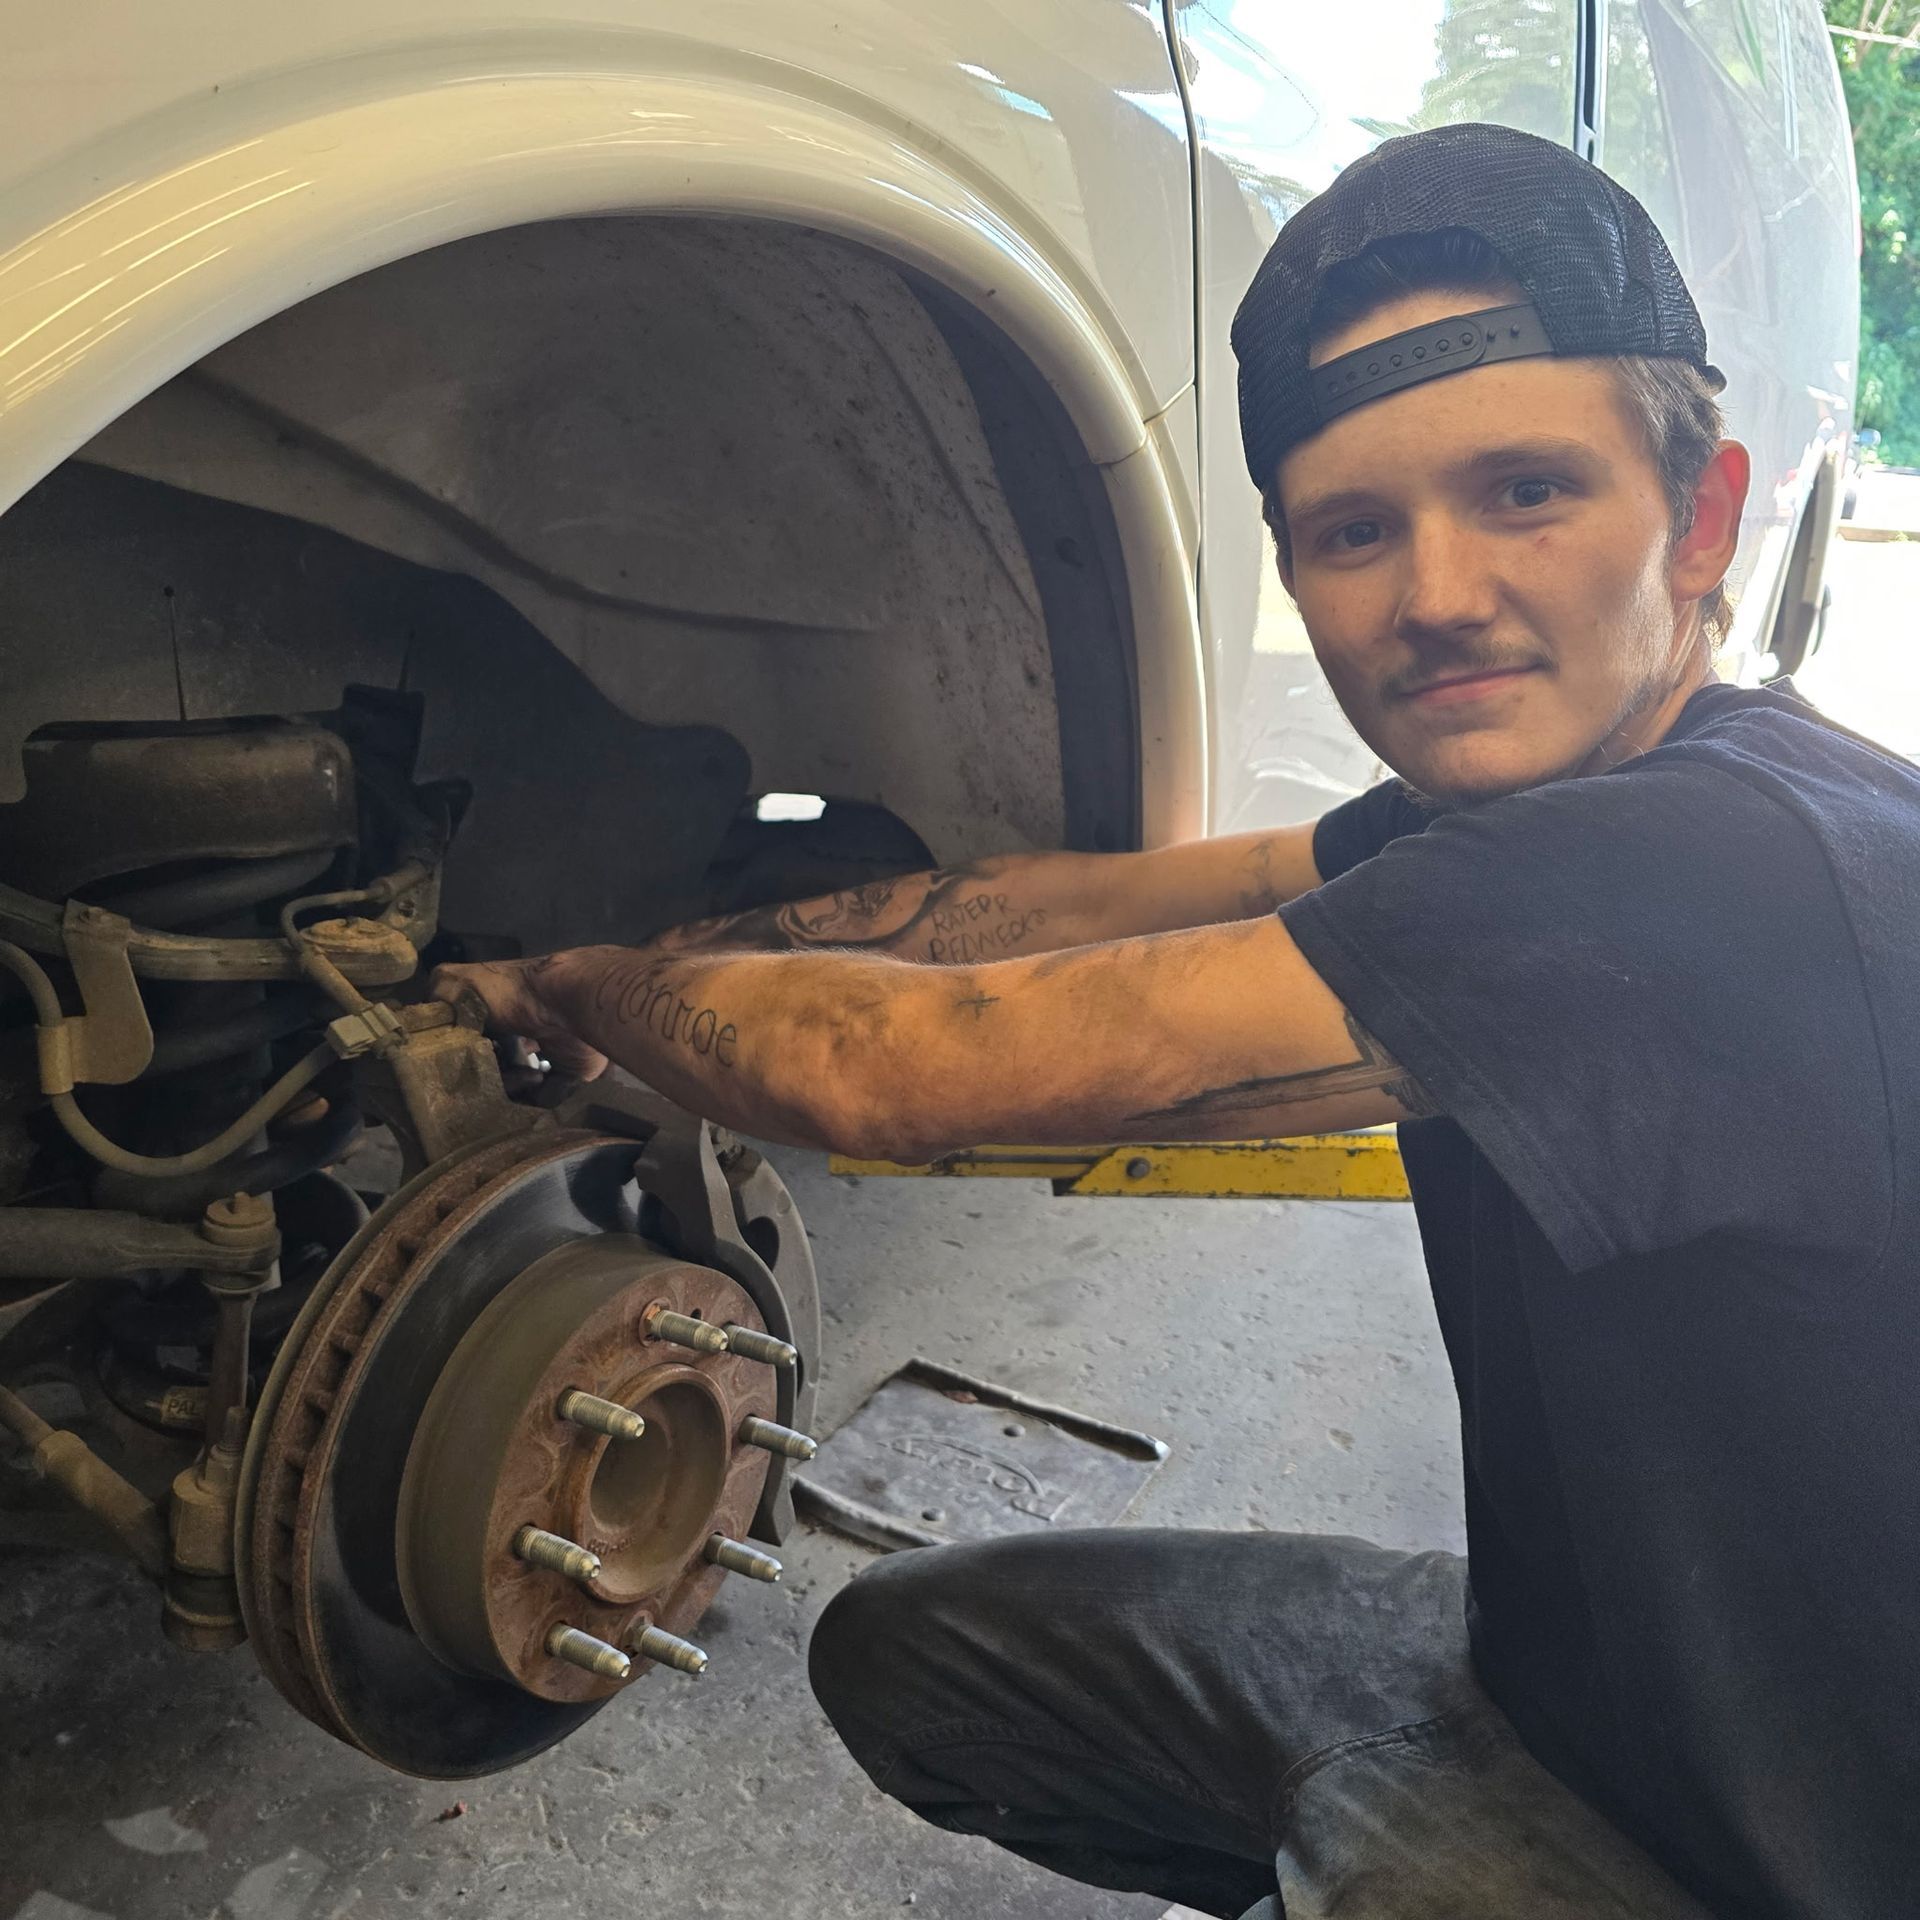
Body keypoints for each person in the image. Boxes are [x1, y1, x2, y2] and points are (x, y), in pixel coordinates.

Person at [435, 124, 1917, 1918]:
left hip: (1796, 1849)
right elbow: (1098, 905)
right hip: (1592, 1683)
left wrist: (574, 991)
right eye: (1356, 531)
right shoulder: (1526, 823)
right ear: (1293, 572)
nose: (1438, 599)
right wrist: (672, 934)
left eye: (1526, 491)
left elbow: (897, 1073)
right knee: (921, 1661)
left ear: (1697, 520)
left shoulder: (1718, 874)